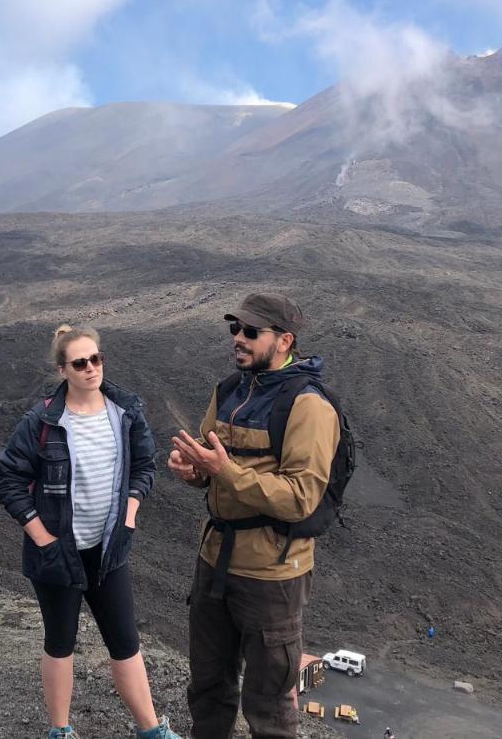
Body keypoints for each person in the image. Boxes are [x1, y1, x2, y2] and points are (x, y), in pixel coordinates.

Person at [0, 325, 182, 739]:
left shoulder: (126, 412)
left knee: (125, 640)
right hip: (58, 554)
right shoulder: (42, 421)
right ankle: (60, 731)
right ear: (63, 370)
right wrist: (41, 536)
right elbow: (6, 477)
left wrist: (129, 512)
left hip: (108, 548)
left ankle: (150, 729)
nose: (91, 368)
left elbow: (144, 467)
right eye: (80, 362)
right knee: (60, 642)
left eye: (96, 359)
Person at [170, 293, 341, 739]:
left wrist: (223, 470)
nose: (238, 339)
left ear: (285, 341)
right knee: (207, 687)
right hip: (213, 563)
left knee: (268, 704)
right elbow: (211, 470)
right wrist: (194, 473)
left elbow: (301, 497)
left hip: (272, 576)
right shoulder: (228, 391)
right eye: (235, 330)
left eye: (250, 332)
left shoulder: (308, 406)